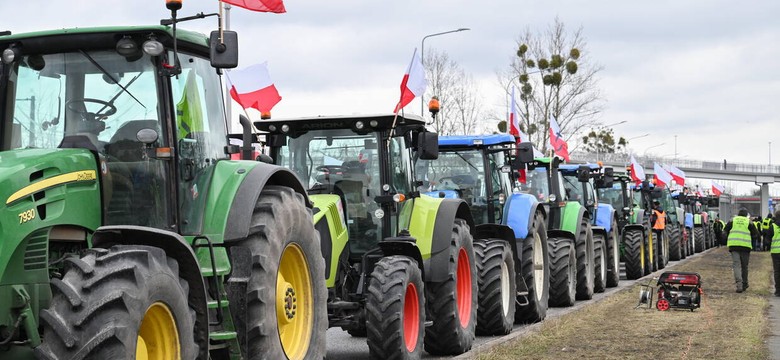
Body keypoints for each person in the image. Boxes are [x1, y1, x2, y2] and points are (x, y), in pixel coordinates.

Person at [724, 209, 761, 293]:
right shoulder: (749, 222)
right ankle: (745, 284)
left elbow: (725, 231)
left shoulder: (732, 220)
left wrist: (724, 240)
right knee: (744, 266)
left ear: (738, 214)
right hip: (745, 247)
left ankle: (739, 285)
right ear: (746, 215)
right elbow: (756, 234)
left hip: (733, 246)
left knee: (736, 265)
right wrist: (757, 240)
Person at [771, 210, 780, 297]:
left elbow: (768, 239)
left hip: (775, 252)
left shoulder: (772, 226)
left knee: (777, 271)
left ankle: (778, 291)